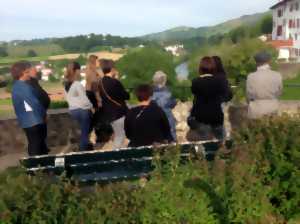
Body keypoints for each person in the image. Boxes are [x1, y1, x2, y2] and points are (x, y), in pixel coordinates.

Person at [188, 56, 232, 141]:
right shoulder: (218, 81)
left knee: (204, 142)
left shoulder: (195, 82)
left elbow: (194, 92)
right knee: (221, 141)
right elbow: (227, 94)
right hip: (216, 116)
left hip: (200, 117)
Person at [11, 61, 48, 156]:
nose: (29, 75)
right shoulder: (23, 87)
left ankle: (38, 167)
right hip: (34, 121)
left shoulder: (16, 86)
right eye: (27, 72)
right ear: (21, 73)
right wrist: (44, 115)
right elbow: (35, 104)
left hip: (27, 121)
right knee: (36, 146)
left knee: (35, 145)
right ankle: (36, 168)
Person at [99, 59, 130, 149]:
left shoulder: (100, 83)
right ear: (112, 69)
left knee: (120, 135)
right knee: (120, 136)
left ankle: (122, 154)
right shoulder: (114, 82)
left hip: (109, 114)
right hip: (119, 113)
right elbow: (126, 96)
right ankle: (115, 154)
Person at [64, 62, 94, 151]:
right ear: (76, 70)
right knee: (85, 133)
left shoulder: (65, 84)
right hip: (82, 111)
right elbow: (84, 101)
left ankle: (84, 148)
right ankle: (83, 151)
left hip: (72, 111)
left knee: (80, 133)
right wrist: (91, 106)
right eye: (79, 70)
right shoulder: (77, 84)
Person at [246, 52, 282, 119]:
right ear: (269, 61)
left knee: (255, 129)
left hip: (256, 108)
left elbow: (249, 95)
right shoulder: (277, 75)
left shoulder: (251, 76)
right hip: (272, 107)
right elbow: (279, 93)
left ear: (256, 62)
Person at [152, 71, 177, 141]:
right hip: (167, 115)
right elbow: (173, 104)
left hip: (155, 116)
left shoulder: (151, 92)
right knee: (171, 133)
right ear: (164, 81)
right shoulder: (169, 92)